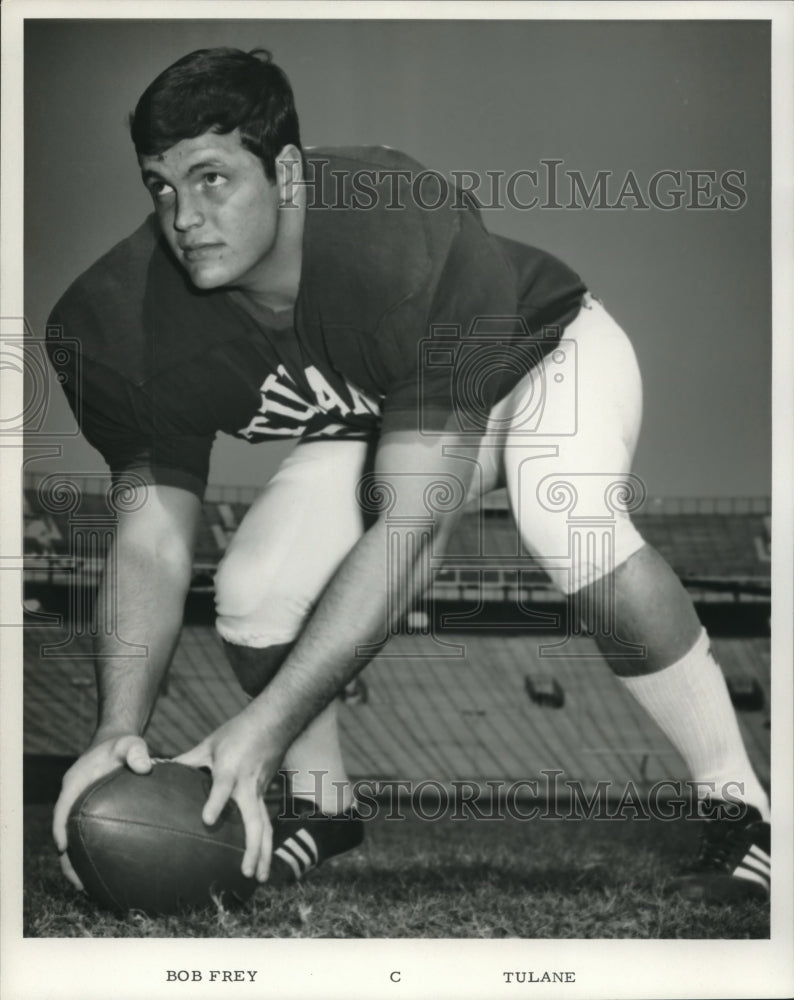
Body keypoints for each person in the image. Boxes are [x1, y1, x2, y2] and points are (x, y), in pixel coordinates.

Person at [47, 47, 770, 904]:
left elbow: (413, 531)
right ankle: (325, 807)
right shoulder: (117, 322)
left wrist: (262, 729)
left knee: (565, 515)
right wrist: (116, 730)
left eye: (212, 179)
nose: (184, 217)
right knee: (252, 592)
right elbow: (151, 543)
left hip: (539, 354)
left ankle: (743, 811)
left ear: (285, 171)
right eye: (161, 186)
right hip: (389, 410)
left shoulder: (396, 239)